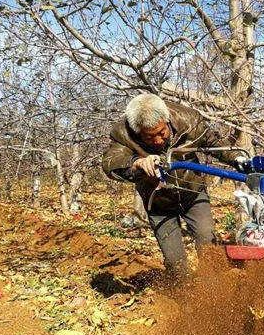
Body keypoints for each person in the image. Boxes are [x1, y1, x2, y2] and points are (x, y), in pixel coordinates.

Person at [102, 93, 247, 274]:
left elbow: (215, 142)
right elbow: (111, 162)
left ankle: (214, 287)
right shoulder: (123, 133)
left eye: (161, 133)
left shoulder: (189, 119)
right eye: (149, 137)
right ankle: (183, 294)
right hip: (158, 202)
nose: (157, 141)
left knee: (209, 245)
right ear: (137, 132)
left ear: (167, 119)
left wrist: (238, 159)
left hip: (192, 192)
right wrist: (136, 163)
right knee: (175, 263)